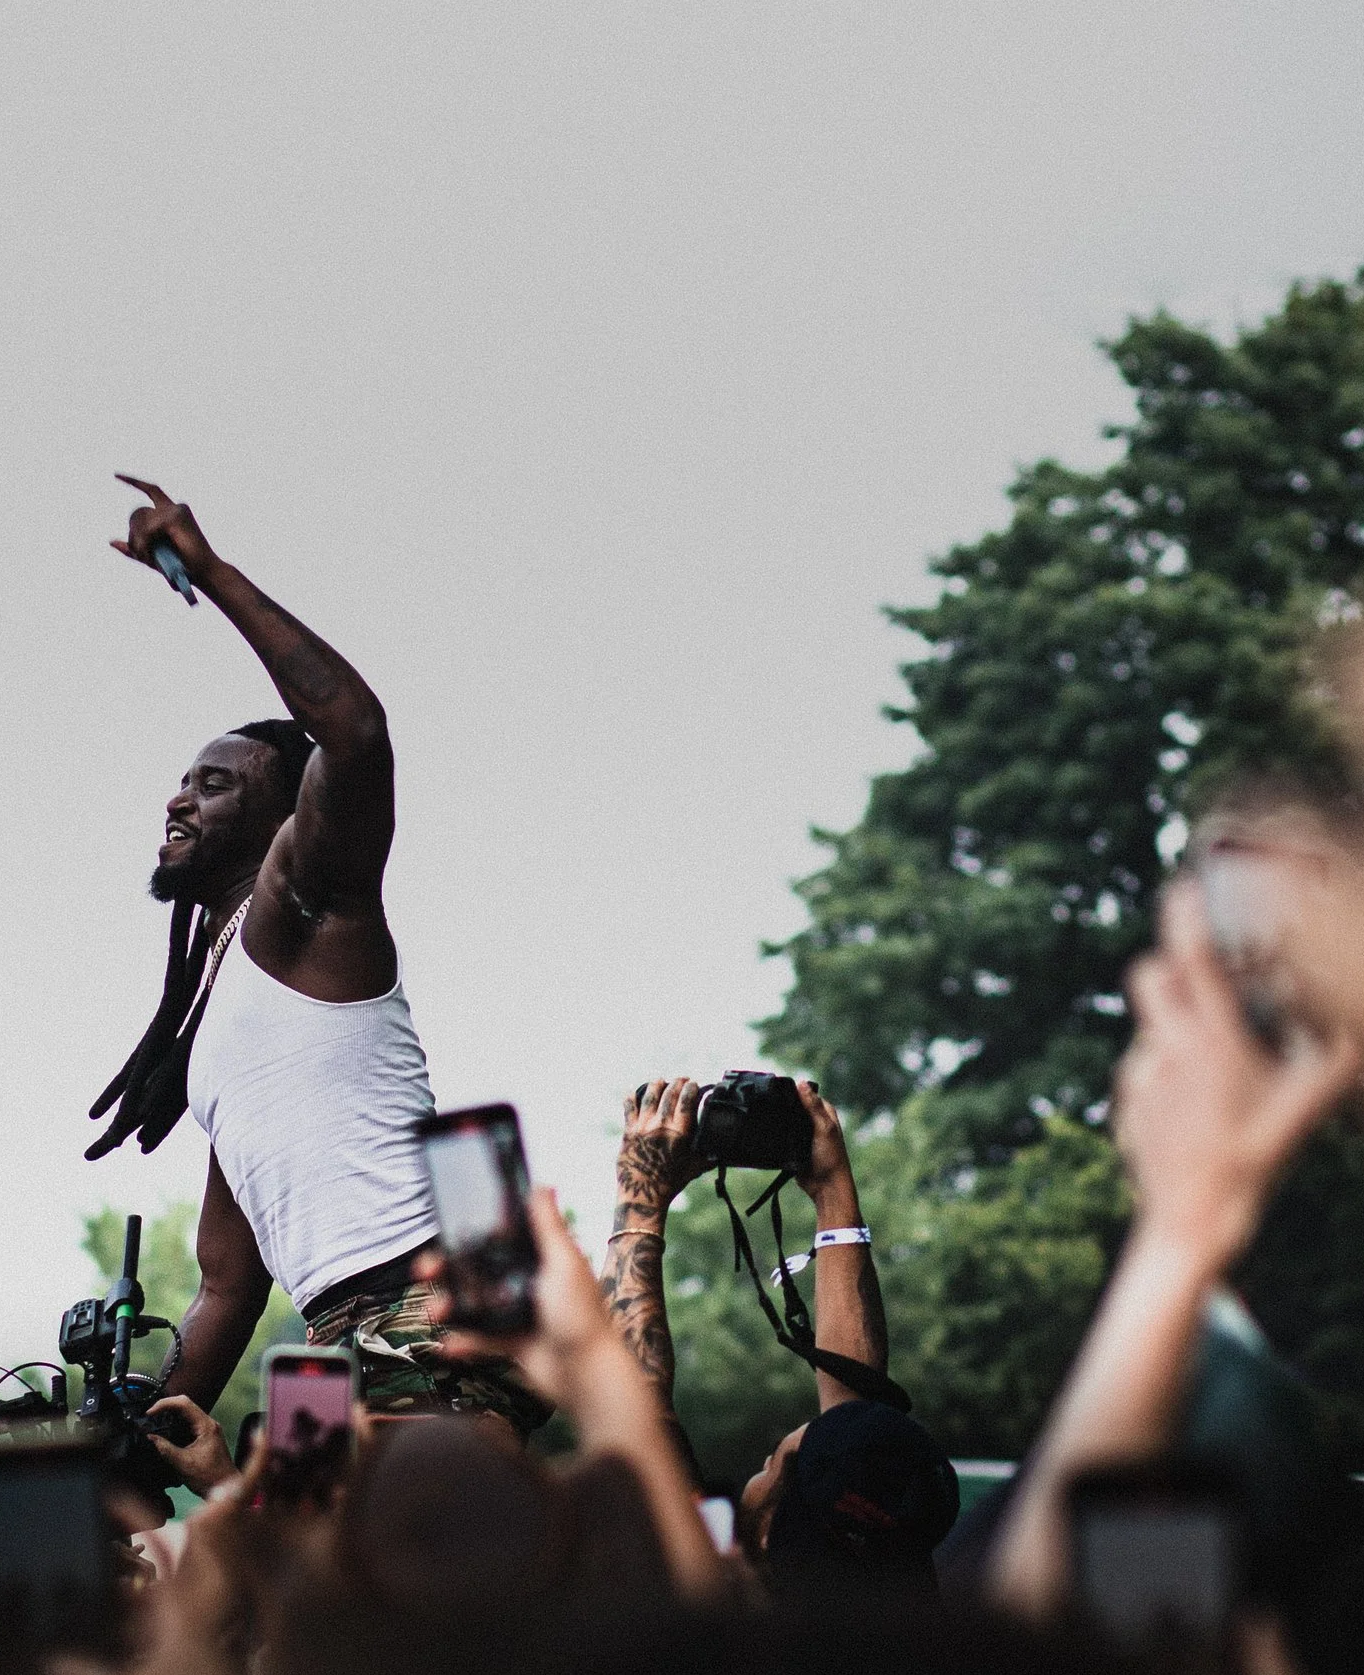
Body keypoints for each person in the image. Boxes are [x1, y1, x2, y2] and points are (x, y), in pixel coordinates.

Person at [93, 481, 538, 1436]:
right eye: (180, 782)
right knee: (277, 1561)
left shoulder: (303, 905)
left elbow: (359, 731)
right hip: (342, 1331)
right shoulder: (213, 1019)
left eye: (213, 783)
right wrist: (131, 1442)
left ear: (287, 814)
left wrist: (207, 572)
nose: (179, 800)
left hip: (434, 1308)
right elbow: (224, 1284)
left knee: (391, 1571)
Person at [599, 1071, 958, 1584]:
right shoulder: (895, 1610)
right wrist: (833, 1190)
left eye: (775, 1462)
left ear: (767, 1534)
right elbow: (855, 1435)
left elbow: (636, 1405)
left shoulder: (702, 1618)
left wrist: (641, 1197)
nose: (767, 1459)